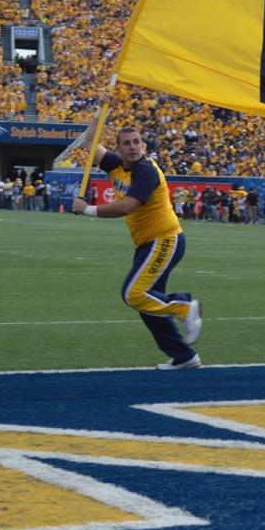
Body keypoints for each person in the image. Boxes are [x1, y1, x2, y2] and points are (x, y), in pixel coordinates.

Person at [72, 126, 203, 370]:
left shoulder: (146, 171)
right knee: (147, 304)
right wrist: (99, 113)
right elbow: (89, 144)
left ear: (142, 145)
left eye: (136, 142)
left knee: (133, 294)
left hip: (164, 239)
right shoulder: (116, 164)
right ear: (119, 148)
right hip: (146, 243)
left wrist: (87, 209)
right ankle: (184, 356)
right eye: (127, 143)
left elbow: (126, 207)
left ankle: (183, 307)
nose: (133, 147)